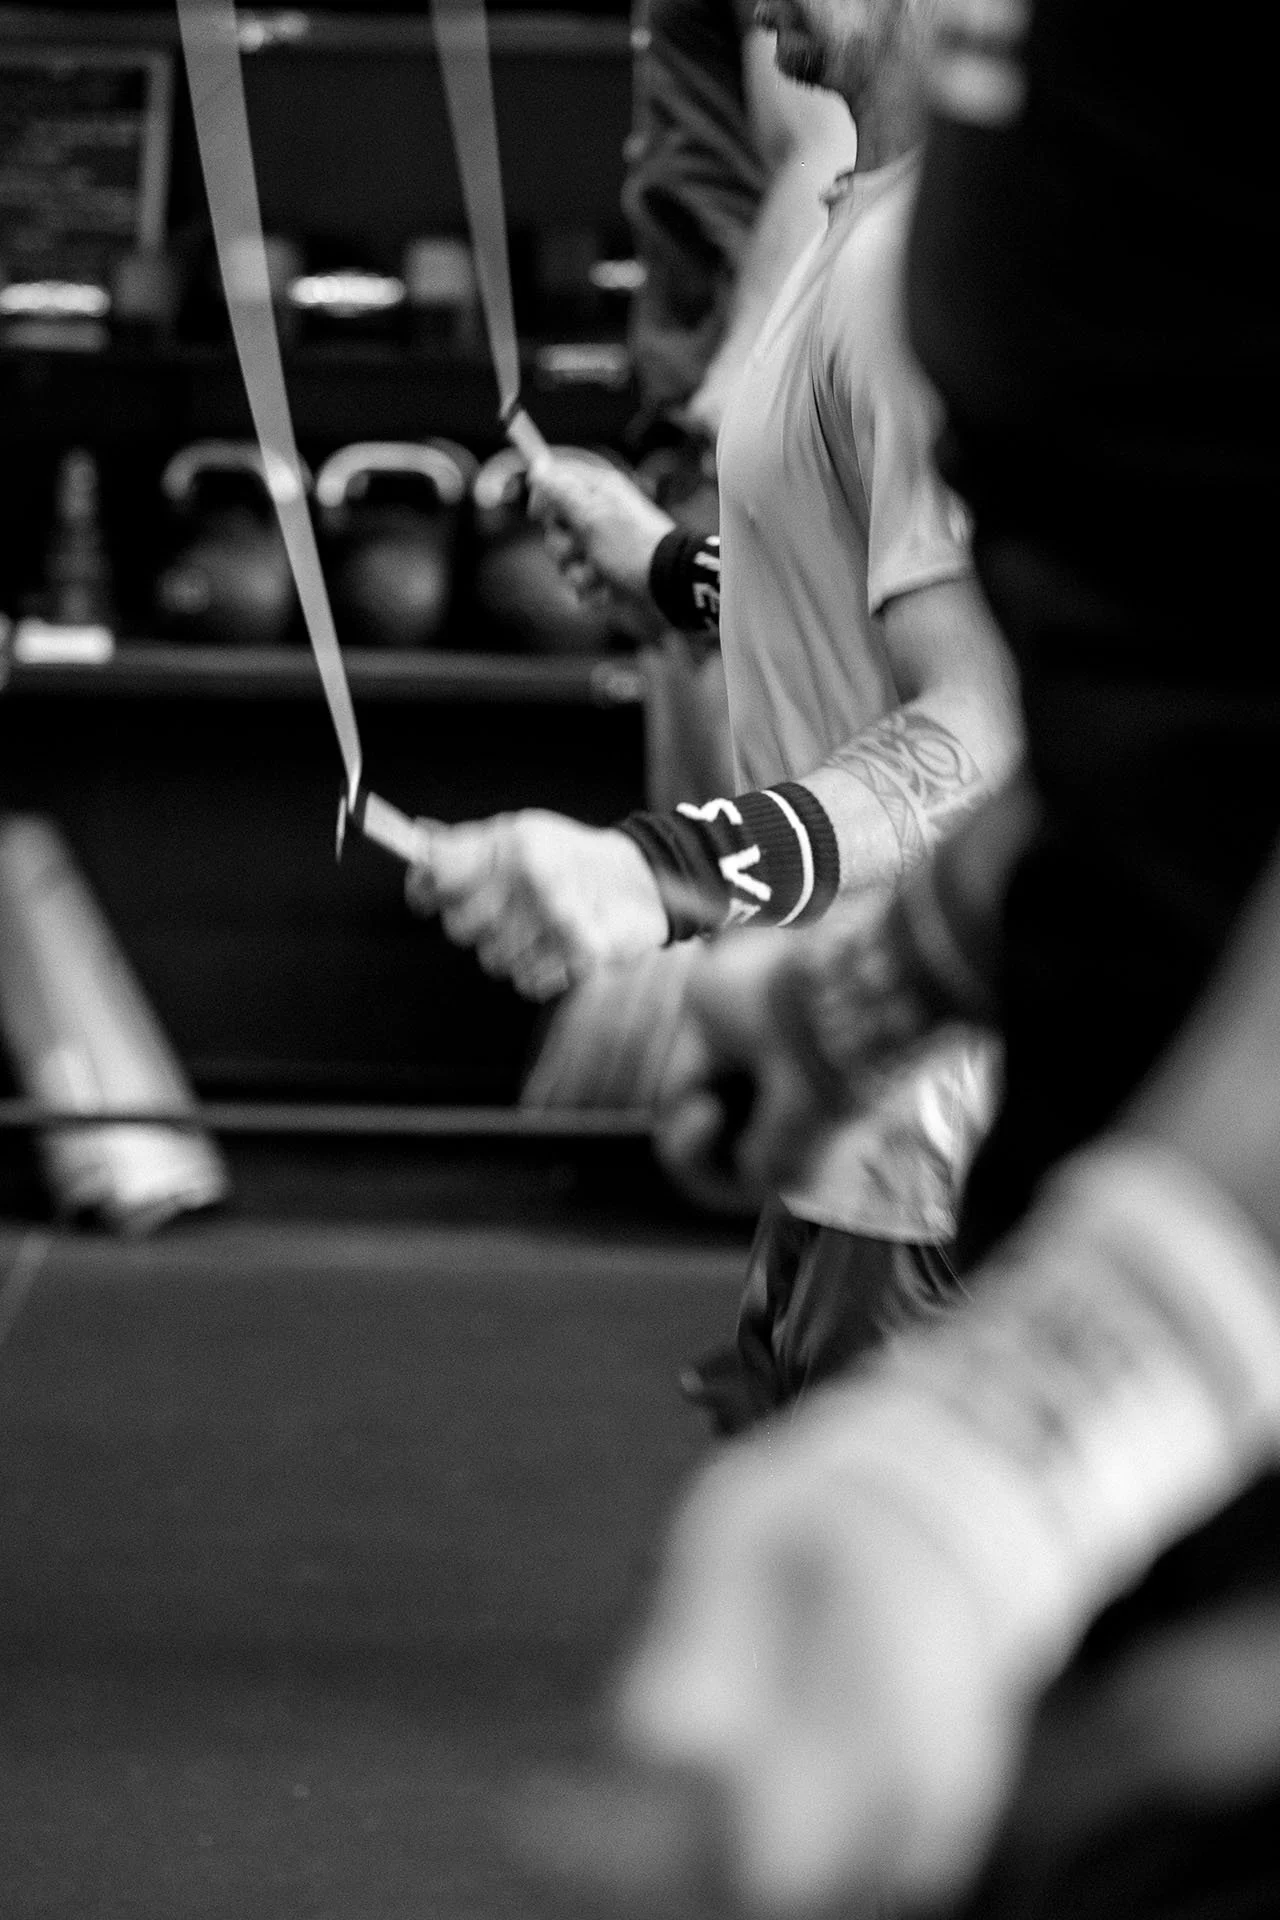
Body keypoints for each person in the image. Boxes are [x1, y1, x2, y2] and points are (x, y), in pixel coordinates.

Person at [571, 0, 1280, 1911]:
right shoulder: (1028, 154)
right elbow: (1138, 739)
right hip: (1091, 1202)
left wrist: (1023, 1426)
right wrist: (848, 1001)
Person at [406, 0, 1022, 1430]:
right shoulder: (861, 220)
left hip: (923, 1140)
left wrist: (657, 872)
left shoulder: (940, 275)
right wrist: (670, 564)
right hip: (836, 1111)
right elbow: (865, 584)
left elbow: (983, 726)